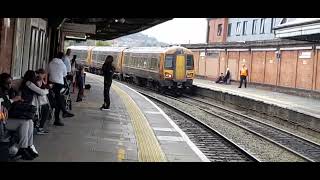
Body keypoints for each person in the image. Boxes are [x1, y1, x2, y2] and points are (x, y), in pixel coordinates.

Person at [0, 73, 38, 160]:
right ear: (2, 83)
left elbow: (11, 104)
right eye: (7, 83)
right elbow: (4, 105)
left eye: (11, 82)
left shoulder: (9, 91)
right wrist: (13, 100)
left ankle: (28, 146)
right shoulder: (0, 92)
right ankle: (22, 148)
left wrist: (18, 100)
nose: (10, 85)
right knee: (24, 123)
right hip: (2, 121)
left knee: (30, 121)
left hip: (7, 118)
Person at [48, 52, 74, 126]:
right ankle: (63, 113)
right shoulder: (62, 64)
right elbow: (65, 74)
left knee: (58, 101)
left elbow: (49, 72)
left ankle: (60, 117)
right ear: (62, 57)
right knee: (60, 100)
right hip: (59, 84)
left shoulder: (51, 63)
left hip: (51, 84)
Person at [20, 70, 49, 135]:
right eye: (34, 76)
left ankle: (36, 128)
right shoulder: (29, 83)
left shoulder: (27, 82)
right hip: (29, 102)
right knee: (34, 116)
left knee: (43, 110)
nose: (36, 77)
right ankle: (36, 129)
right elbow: (41, 92)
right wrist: (47, 90)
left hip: (30, 101)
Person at [35, 69, 52, 134]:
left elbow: (45, 88)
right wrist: (47, 88)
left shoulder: (41, 80)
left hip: (44, 100)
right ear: (40, 74)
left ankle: (40, 127)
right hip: (40, 101)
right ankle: (39, 128)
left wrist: (47, 87)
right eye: (43, 74)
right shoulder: (37, 80)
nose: (44, 76)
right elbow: (41, 90)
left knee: (45, 113)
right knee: (42, 115)